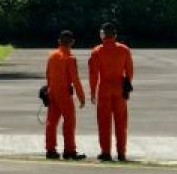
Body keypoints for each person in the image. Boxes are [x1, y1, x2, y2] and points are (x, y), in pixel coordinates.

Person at [89, 22, 134, 162]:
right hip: (119, 88)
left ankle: (106, 152)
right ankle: (121, 152)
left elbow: (93, 75)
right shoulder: (124, 49)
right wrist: (127, 84)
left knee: (104, 122)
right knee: (121, 122)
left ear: (102, 34)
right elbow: (130, 71)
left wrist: (92, 91)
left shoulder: (97, 51)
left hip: (104, 88)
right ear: (115, 34)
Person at [44, 29, 86, 160]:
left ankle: (50, 150)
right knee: (69, 121)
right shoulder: (70, 58)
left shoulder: (52, 55)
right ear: (72, 42)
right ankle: (69, 150)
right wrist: (81, 97)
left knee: (51, 122)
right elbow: (75, 80)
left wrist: (48, 89)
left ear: (59, 41)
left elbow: (48, 75)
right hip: (64, 93)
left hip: (52, 92)